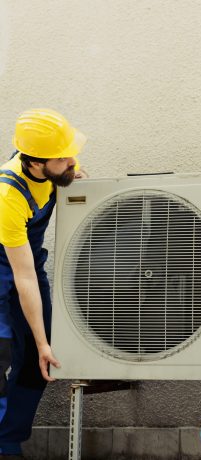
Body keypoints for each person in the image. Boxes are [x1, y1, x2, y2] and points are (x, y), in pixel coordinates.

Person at [0, 109, 87, 458]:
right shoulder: (8, 195)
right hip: (11, 271)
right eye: (63, 158)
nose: (72, 160)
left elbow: (29, 273)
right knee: (2, 356)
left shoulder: (52, 159)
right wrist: (41, 341)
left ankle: (7, 441)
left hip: (27, 268)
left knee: (40, 362)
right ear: (35, 164)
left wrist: (70, 174)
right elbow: (23, 277)